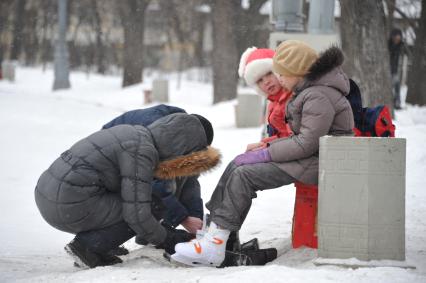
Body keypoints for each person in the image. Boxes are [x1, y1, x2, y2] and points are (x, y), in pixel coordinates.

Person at [171, 40, 354, 267]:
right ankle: (216, 236)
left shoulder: (317, 95)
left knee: (244, 175)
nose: (277, 79)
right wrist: (267, 147)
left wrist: (268, 152)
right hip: (312, 158)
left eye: (281, 74)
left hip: (320, 162)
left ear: (296, 70)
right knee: (238, 166)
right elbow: (304, 138)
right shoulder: (309, 92)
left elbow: (306, 143)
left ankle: (214, 245)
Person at [34, 113, 220, 268]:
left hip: (49, 194)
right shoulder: (142, 151)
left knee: (141, 199)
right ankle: (88, 247)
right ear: (184, 146)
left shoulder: (136, 133)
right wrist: (169, 238)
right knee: (152, 205)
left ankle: (99, 245)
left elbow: (188, 182)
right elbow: (137, 215)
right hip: (68, 203)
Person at [102, 105, 205, 247]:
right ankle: (100, 243)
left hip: (129, 159)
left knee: (177, 176)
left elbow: (190, 180)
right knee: (143, 196)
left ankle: (150, 231)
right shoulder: (158, 130)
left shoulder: (181, 131)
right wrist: (184, 219)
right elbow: (152, 184)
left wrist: (196, 219)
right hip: (108, 163)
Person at [238, 47, 293, 152]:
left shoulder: (291, 98)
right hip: (283, 152)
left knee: (242, 166)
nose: (266, 82)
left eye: (269, 74)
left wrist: (266, 148)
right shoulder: (273, 104)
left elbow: (293, 139)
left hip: (293, 156)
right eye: (260, 80)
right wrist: (263, 144)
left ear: (279, 71)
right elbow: (281, 136)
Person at [388, 28, 408, 110]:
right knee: (392, 87)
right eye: (396, 38)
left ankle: (397, 103)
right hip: (389, 69)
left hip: (396, 70)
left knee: (397, 87)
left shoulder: (401, 45)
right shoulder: (389, 45)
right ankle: (393, 102)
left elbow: (407, 53)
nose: (397, 40)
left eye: (399, 38)